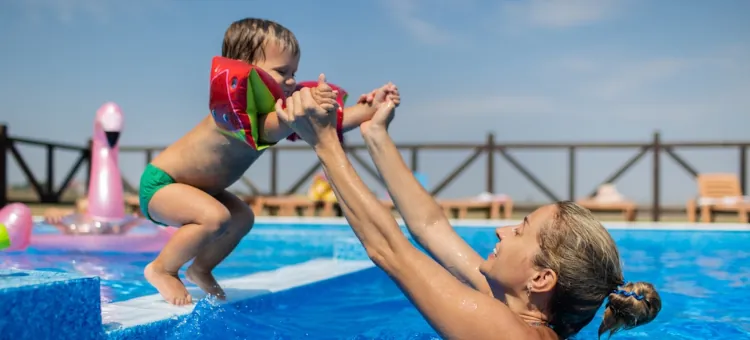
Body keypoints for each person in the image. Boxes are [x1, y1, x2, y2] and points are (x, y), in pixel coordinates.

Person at [274, 89, 662, 339]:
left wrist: (324, 141)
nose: (500, 231)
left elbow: (389, 250)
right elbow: (430, 227)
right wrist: (377, 135)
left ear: (542, 278)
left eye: (520, 231)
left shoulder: (504, 332)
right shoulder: (516, 314)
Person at [139, 17, 400, 305]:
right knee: (214, 217)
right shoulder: (233, 117)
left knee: (242, 218)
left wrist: (369, 108)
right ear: (244, 67)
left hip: (202, 191)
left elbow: (325, 123)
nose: (291, 81)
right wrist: (312, 104)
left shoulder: (276, 116)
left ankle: (200, 269)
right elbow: (291, 120)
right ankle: (162, 269)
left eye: (294, 72)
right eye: (281, 71)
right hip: (162, 184)